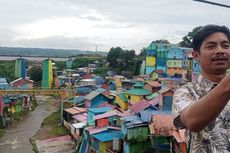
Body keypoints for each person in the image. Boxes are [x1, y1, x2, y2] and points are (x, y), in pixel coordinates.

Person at [172, 25, 230, 153]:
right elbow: (193, 122)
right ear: (196, 55)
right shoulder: (185, 91)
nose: (220, 50)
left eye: (225, 46)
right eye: (211, 46)